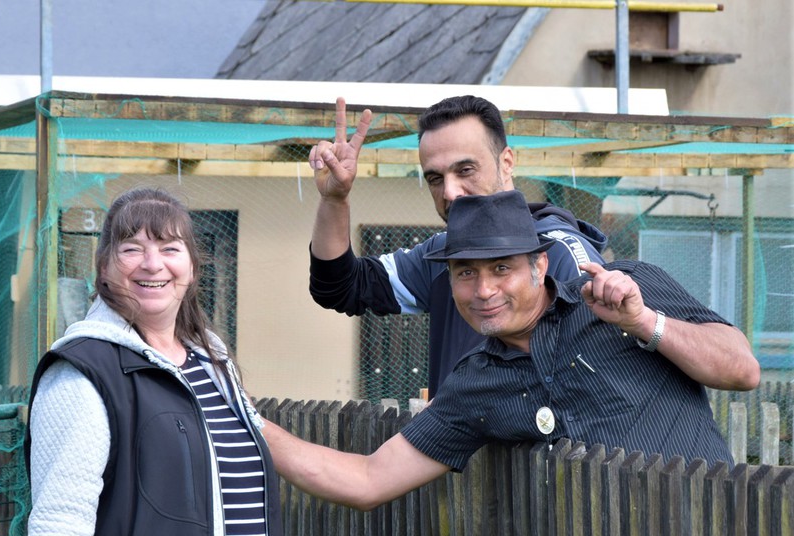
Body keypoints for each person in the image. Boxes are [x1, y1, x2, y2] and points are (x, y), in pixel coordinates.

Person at [263, 189, 761, 510]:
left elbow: (742, 370)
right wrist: (246, 420)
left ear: (539, 267)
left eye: (502, 268)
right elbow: (368, 479)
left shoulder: (626, 290)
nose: (484, 291)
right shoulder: (477, 383)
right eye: (466, 273)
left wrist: (645, 322)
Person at [21, 188, 287, 536]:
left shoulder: (209, 361)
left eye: (169, 247)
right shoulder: (85, 369)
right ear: (104, 265)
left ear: (192, 264)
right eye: (131, 248)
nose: (152, 264)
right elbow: (61, 513)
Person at [308, 95, 609, 396]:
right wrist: (334, 199)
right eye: (435, 178)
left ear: (506, 163)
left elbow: (605, 383)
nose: (450, 192)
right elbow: (340, 287)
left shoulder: (561, 253)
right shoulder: (442, 253)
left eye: (465, 170)